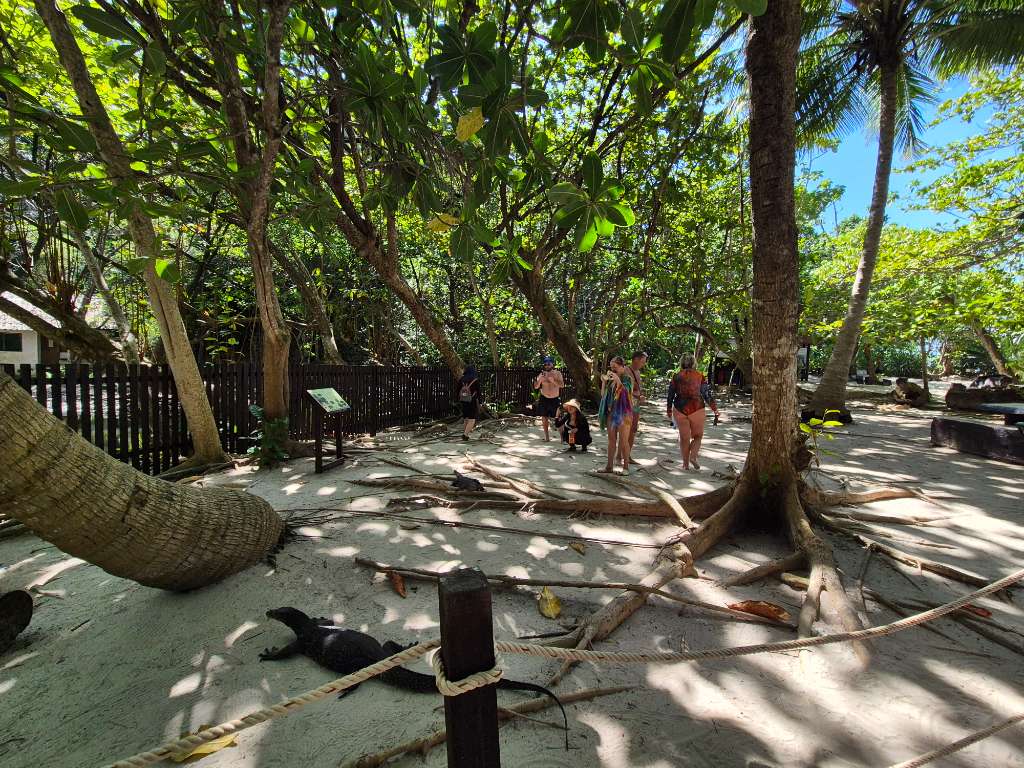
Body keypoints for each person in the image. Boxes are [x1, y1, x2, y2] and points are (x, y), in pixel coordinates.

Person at [667, 354, 720, 470]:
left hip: (680, 408)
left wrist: (669, 410)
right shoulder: (700, 376)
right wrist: (715, 408)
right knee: (698, 436)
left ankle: (685, 465)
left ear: (681, 363)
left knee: (684, 438)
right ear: (694, 363)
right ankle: (693, 457)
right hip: (697, 408)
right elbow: (706, 394)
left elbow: (670, 394)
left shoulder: (676, 376)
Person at [597, 356, 634, 474]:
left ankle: (626, 468)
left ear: (623, 367)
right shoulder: (610, 381)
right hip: (611, 413)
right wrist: (604, 383)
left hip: (624, 414)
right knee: (611, 440)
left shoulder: (627, 379)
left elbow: (626, 393)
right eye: (611, 367)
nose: (613, 369)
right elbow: (603, 395)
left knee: (623, 441)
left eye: (615, 367)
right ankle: (609, 466)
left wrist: (618, 380)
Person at [533, 356, 564, 441]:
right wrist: (540, 380)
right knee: (544, 417)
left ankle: (562, 438)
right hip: (544, 398)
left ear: (552, 364)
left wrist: (553, 380)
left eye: (549, 364)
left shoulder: (557, 373)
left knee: (558, 418)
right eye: (545, 364)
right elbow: (536, 387)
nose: (547, 366)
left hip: (555, 399)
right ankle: (547, 437)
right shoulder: (541, 374)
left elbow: (562, 385)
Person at [625, 351, 647, 458]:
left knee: (633, 429)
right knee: (625, 430)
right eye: (642, 361)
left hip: (636, 404)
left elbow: (638, 388)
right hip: (627, 404)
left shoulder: (637, 372)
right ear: (636, 359)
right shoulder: (626, 371)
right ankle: (620, 456)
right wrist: (637, 396)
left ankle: (627, 455)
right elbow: (625, 389)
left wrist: (640, 395)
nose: (644, 364)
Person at [457, 365, 482, 441]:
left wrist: (459, 399)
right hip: (472, 401)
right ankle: (465, 435)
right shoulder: (475, 379)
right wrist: (480, 402)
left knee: (466, 418)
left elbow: (457, 390)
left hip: (463, 401)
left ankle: (465, 434)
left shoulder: (461, 379)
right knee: (472, 419)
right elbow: (479, 392)